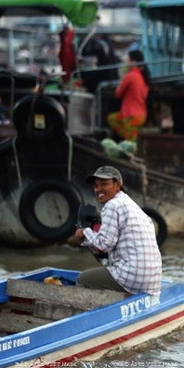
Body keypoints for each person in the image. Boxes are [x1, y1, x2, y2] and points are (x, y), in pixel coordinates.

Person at [69, 166, 162, 296]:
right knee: (105, 273)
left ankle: (89, 314)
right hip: (152, 281)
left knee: (83, 279)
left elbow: (105, 244)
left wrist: (84, 231)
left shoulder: (112, 205)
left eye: (104, 184)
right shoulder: (131, 204)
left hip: (132, 277)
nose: (98, 189)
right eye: (96, 186)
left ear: (117, 185)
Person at [107, 49, 150, 143]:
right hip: (141, 115)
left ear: (133, 62)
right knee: (112, 118)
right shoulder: (143, 76)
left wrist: (120, 83)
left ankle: (130, 141)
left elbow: (118, 94)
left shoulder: (130, 76)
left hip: (131, 116)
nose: (126, 61)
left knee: (131, 143)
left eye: (128, 59)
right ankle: (130, 137)